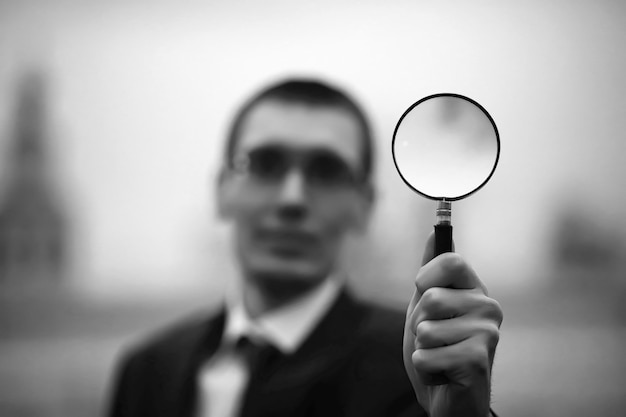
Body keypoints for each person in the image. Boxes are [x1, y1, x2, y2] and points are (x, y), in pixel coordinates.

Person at [107, 78, 502, 417]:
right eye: (264, 164)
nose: (292, 198)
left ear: (364, 206)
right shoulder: (146, 371)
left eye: (327, 171)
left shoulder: (421, 368)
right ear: (222, 190)